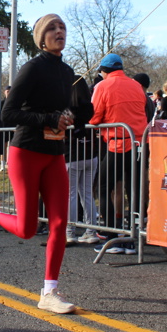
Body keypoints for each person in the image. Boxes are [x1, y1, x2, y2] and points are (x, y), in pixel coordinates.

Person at [0, 14, 84, 314]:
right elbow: (8, 113)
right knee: (27, 229)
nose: (59, 31)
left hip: (55, 152)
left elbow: (62, 109)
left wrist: (68, 117)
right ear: (41, 38)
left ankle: (49, 292)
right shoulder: (32, 67)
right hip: (26, 152)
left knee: (59, 223)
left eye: (62, 27)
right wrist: (48, 118)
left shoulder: (68, 71)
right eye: (52, 28)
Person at [90, 53, 148, 249]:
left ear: (104, 71)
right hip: (139, 144)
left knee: (103, 187)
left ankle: (111, 235)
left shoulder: (103, 86)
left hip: (118, 143)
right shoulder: (136, 85)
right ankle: (133, 237)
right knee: (134, 190)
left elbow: (94, 116)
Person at [65, 75, 97, 245]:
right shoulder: (90, 108)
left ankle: (69, 232)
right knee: (87, 194)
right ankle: (91, 231)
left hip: (72, 155)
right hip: (90, 155)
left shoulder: (67, 109)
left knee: (70, 194)